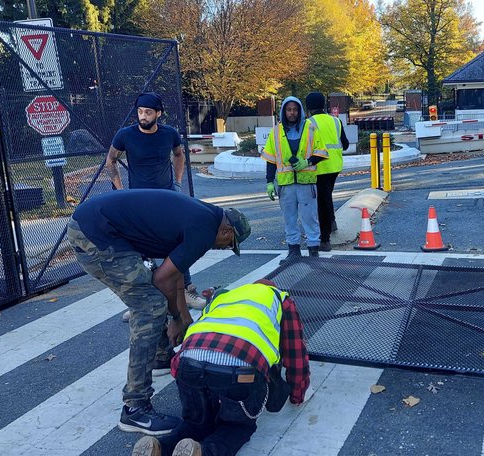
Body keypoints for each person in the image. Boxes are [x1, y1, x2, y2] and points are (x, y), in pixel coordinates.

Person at [66, 189, 251, 436]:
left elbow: (173, 272)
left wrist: (184, 318)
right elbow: (163, 280)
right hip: (97, 233)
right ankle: (135, 408)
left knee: (155, 299)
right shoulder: (204, 231)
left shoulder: (205, 217)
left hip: (97, 225)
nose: (223, 248)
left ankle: (160, 358)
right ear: (227, 232)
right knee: (150, 306)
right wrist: (176, 319)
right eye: (229, 245)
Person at [130, 279, 310, 456]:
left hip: (189, 360)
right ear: (273, 288)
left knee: (196, 423)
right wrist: (297, 394)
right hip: (238, 368)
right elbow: (296, 355)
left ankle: (159, 447)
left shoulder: (225, 297)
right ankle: (204, 452)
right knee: (235, 427)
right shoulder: (280, 299)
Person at [105, 93, 205, 310]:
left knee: (177, 242)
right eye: (140, 112)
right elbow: (111, 160)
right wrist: (121, 191)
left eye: (148, 112)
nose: (143, 116)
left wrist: (177, 184)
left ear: (158, 113)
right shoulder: (125, 135)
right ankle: (144, 302)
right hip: (138, 202)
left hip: (167, 198)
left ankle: (186, 291)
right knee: (141, 249)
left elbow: (179, 155)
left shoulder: (169, 134)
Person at [261, 96, 328, 260]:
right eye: (289, 109)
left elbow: (321, 151)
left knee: (310, 218)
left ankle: (313, 250)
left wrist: (307, 162)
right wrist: (270, 182)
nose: (292, 113)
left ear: (300, 111)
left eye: (295, 109)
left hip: (306, 183)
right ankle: (293, 250)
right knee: (289, 219)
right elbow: (271, 159)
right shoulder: (276, 131)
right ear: (284, 111)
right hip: (286, 184)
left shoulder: (310, 128)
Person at [305, 92, 349, 252]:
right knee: (326, 196)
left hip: (319, 168)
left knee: (321, 203)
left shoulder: (309, 123)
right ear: (324, 105)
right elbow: (345, 144)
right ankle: (331, 222)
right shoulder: (336, 121)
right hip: (335, 167)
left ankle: (325, 239)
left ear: (308, 107)